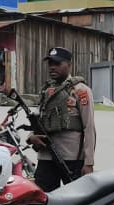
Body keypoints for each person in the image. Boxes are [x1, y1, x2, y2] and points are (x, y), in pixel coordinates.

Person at [29, 46, 95, 190]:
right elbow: (37, 120)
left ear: (69, 65)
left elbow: (89, 128)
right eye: (50, 63)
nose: (52, 67)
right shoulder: (47, 91)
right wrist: (32, 137)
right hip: (46, 157)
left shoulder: (81, 90)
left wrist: (88, 162)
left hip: (71, 159)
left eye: (57, 63)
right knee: (43, 202)